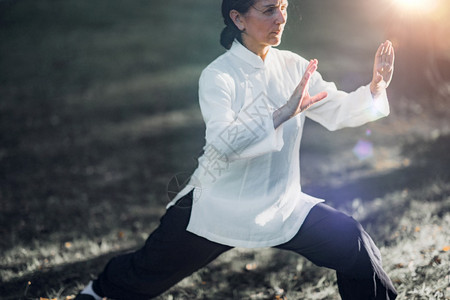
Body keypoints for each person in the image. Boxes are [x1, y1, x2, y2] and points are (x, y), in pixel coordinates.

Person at [75, 0, 397, 299]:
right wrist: (281, 113)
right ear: (238, 18)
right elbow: (223, 143)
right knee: (146, 272)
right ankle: (95, 293)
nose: (281, 18)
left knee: (352, 243)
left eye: (283, 6)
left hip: (280, 206)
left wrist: (374, 89)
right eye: (269, 9)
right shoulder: (218, 76)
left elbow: (337, 108)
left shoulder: (294, 66)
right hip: (218, 207)